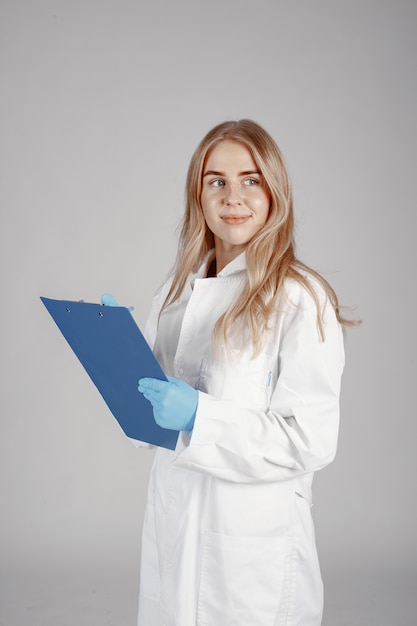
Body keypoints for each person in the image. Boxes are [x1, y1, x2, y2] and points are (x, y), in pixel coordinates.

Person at [102, 119, 357, 626]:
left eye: (251, 179)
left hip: (249, 550)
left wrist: (201, 416)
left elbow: (310, 440)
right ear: (198, 194)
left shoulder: (300, 298)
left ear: (274, 192)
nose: (232, 196)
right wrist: (118, 357)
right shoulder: (176, 295)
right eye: (216, 180)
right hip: (176, 527)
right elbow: (149, 422)